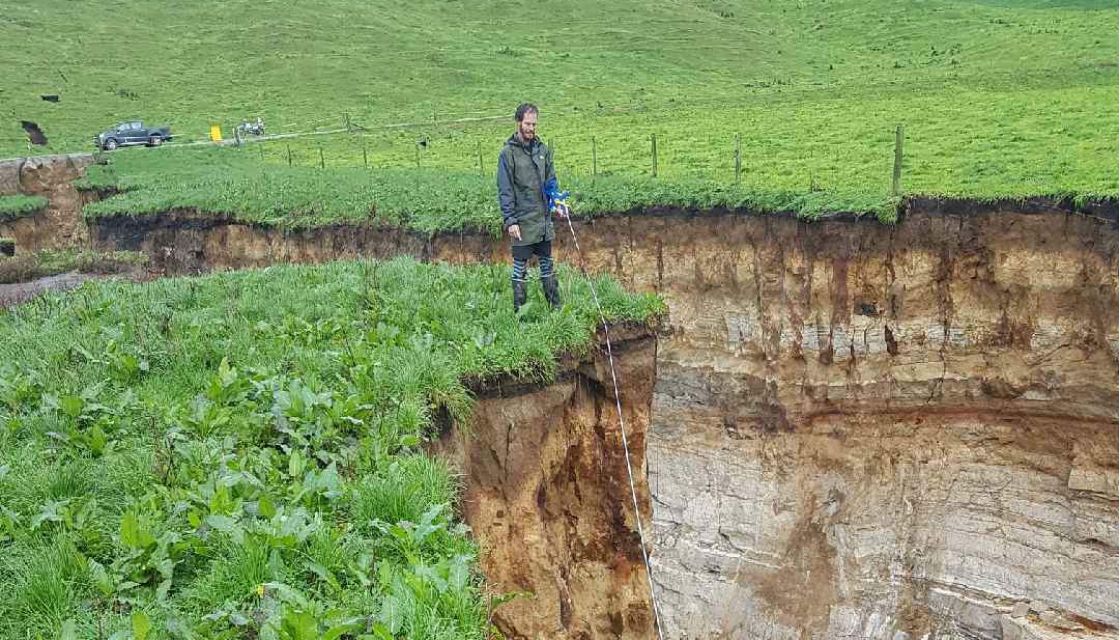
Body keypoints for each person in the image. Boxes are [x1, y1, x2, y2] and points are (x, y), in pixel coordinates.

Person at [497, 103, 568, 313]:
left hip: (543, 221)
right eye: (528, 123)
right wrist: (510, 220)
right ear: (518, 122)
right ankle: (520, 314)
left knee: (547, 265)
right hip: (522, 222)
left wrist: (556, 198)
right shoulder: (507, 154)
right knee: (520, 269)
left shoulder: (542, 150)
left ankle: (556, 309)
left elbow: (551, 179)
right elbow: (505, 189)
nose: (531, 128)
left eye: (534, 124)